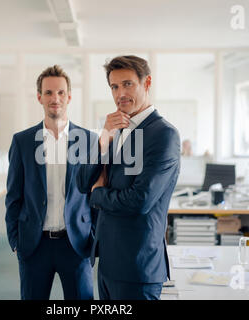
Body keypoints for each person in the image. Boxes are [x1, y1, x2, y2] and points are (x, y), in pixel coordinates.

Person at [77, 55, 180, 300]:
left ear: (147, 83)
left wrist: (98, 193)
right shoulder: (117, 128)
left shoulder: (163, 134)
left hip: (138, 266)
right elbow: (82, 183)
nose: (120, 93)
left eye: (128, 84)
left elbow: (140, 200)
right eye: (114, 86)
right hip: (108, 263)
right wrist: (103, 138)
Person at [5, 65, 94, 300]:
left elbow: (96, 195)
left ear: (69, 97)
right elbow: (14, 196)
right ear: (39, 97)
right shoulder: (22, 141)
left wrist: (93, 238)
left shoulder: (88, 140)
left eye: (61, 92)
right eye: (49, 93)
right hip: (35, 245)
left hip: (76, 243)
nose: (55, 98)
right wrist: (16, 241)